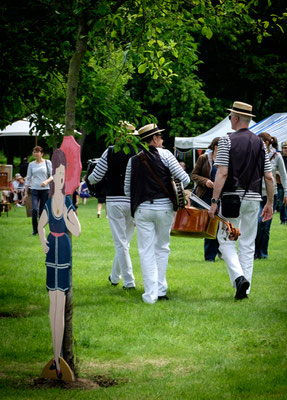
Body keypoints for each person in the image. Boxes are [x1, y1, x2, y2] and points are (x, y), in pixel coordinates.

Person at [208, 101, 274, 300]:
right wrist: (270, 202)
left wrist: (213, 201)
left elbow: (222, 173)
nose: (229, 120)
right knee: (247, 243)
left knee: (225, 240)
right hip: (254, 198)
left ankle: (238, 278)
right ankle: (245, 290)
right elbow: (269, 177)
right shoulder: (261, 144)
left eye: (230, 117)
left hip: (230, 199)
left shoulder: (227, 140)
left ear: (236, 118)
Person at [124, 123, 190, 304]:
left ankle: (150, 295)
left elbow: (127, 190)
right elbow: (186, 179)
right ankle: (160, 291)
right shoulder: (167, 155)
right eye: (160, 137)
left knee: (146, 251)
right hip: (164, 209)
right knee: (162, 248)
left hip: (142, 209)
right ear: (154, 139)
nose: (162, 140)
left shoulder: (133, 160)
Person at [38, 149, 81, 380]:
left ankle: (58, 359)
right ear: (53, 176)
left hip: (63, 251)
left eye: (64, 175)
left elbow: (77, 230)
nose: (61, 179)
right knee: (52, 305)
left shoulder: (65, 201)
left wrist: (66, 217)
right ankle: (55, 357)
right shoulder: (48, 201)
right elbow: (40, 225)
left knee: (60, 304)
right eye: (58, 175)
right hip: (51, 253)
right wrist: (43, 239)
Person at [88, 122, 138, 289]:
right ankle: (115, 277)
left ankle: (129, 282)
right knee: (125, 241)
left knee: (121, 243)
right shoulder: (139, 151)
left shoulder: (109, 151)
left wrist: (88, 181)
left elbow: (96, 176)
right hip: (134, 201)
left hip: (115, 199)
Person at [255, 133, 287, 259]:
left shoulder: (277, 156)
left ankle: (263, 254)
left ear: (267, 142)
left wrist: (286, 193)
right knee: (258, 223)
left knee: (266, 225)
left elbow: (284, 176)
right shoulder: (255, 155)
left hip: (271, 195)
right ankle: (254, 253)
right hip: (257, 194)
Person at [191, 138, 220, 262]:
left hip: (221, 196)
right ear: (215, 147)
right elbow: (194, 175)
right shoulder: (203, 158)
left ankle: (221, 251)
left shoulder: (226, 160)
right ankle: (209, 257)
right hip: (206, 196)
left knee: (221, 227)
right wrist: (206, 181)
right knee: (211, 225)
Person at [25, 146, 53, 235]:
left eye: (37, 152)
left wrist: (46, 181)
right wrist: (25, 192)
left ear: (42, 153)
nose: (35, 153)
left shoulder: (47, 162)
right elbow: (28, 178)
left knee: (42, 211)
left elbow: (53, 176)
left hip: (45, 190)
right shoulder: (31, 164)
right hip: (34, 190)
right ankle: (35, 230)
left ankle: (41, 228)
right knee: (34, 209)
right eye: (34, 152)